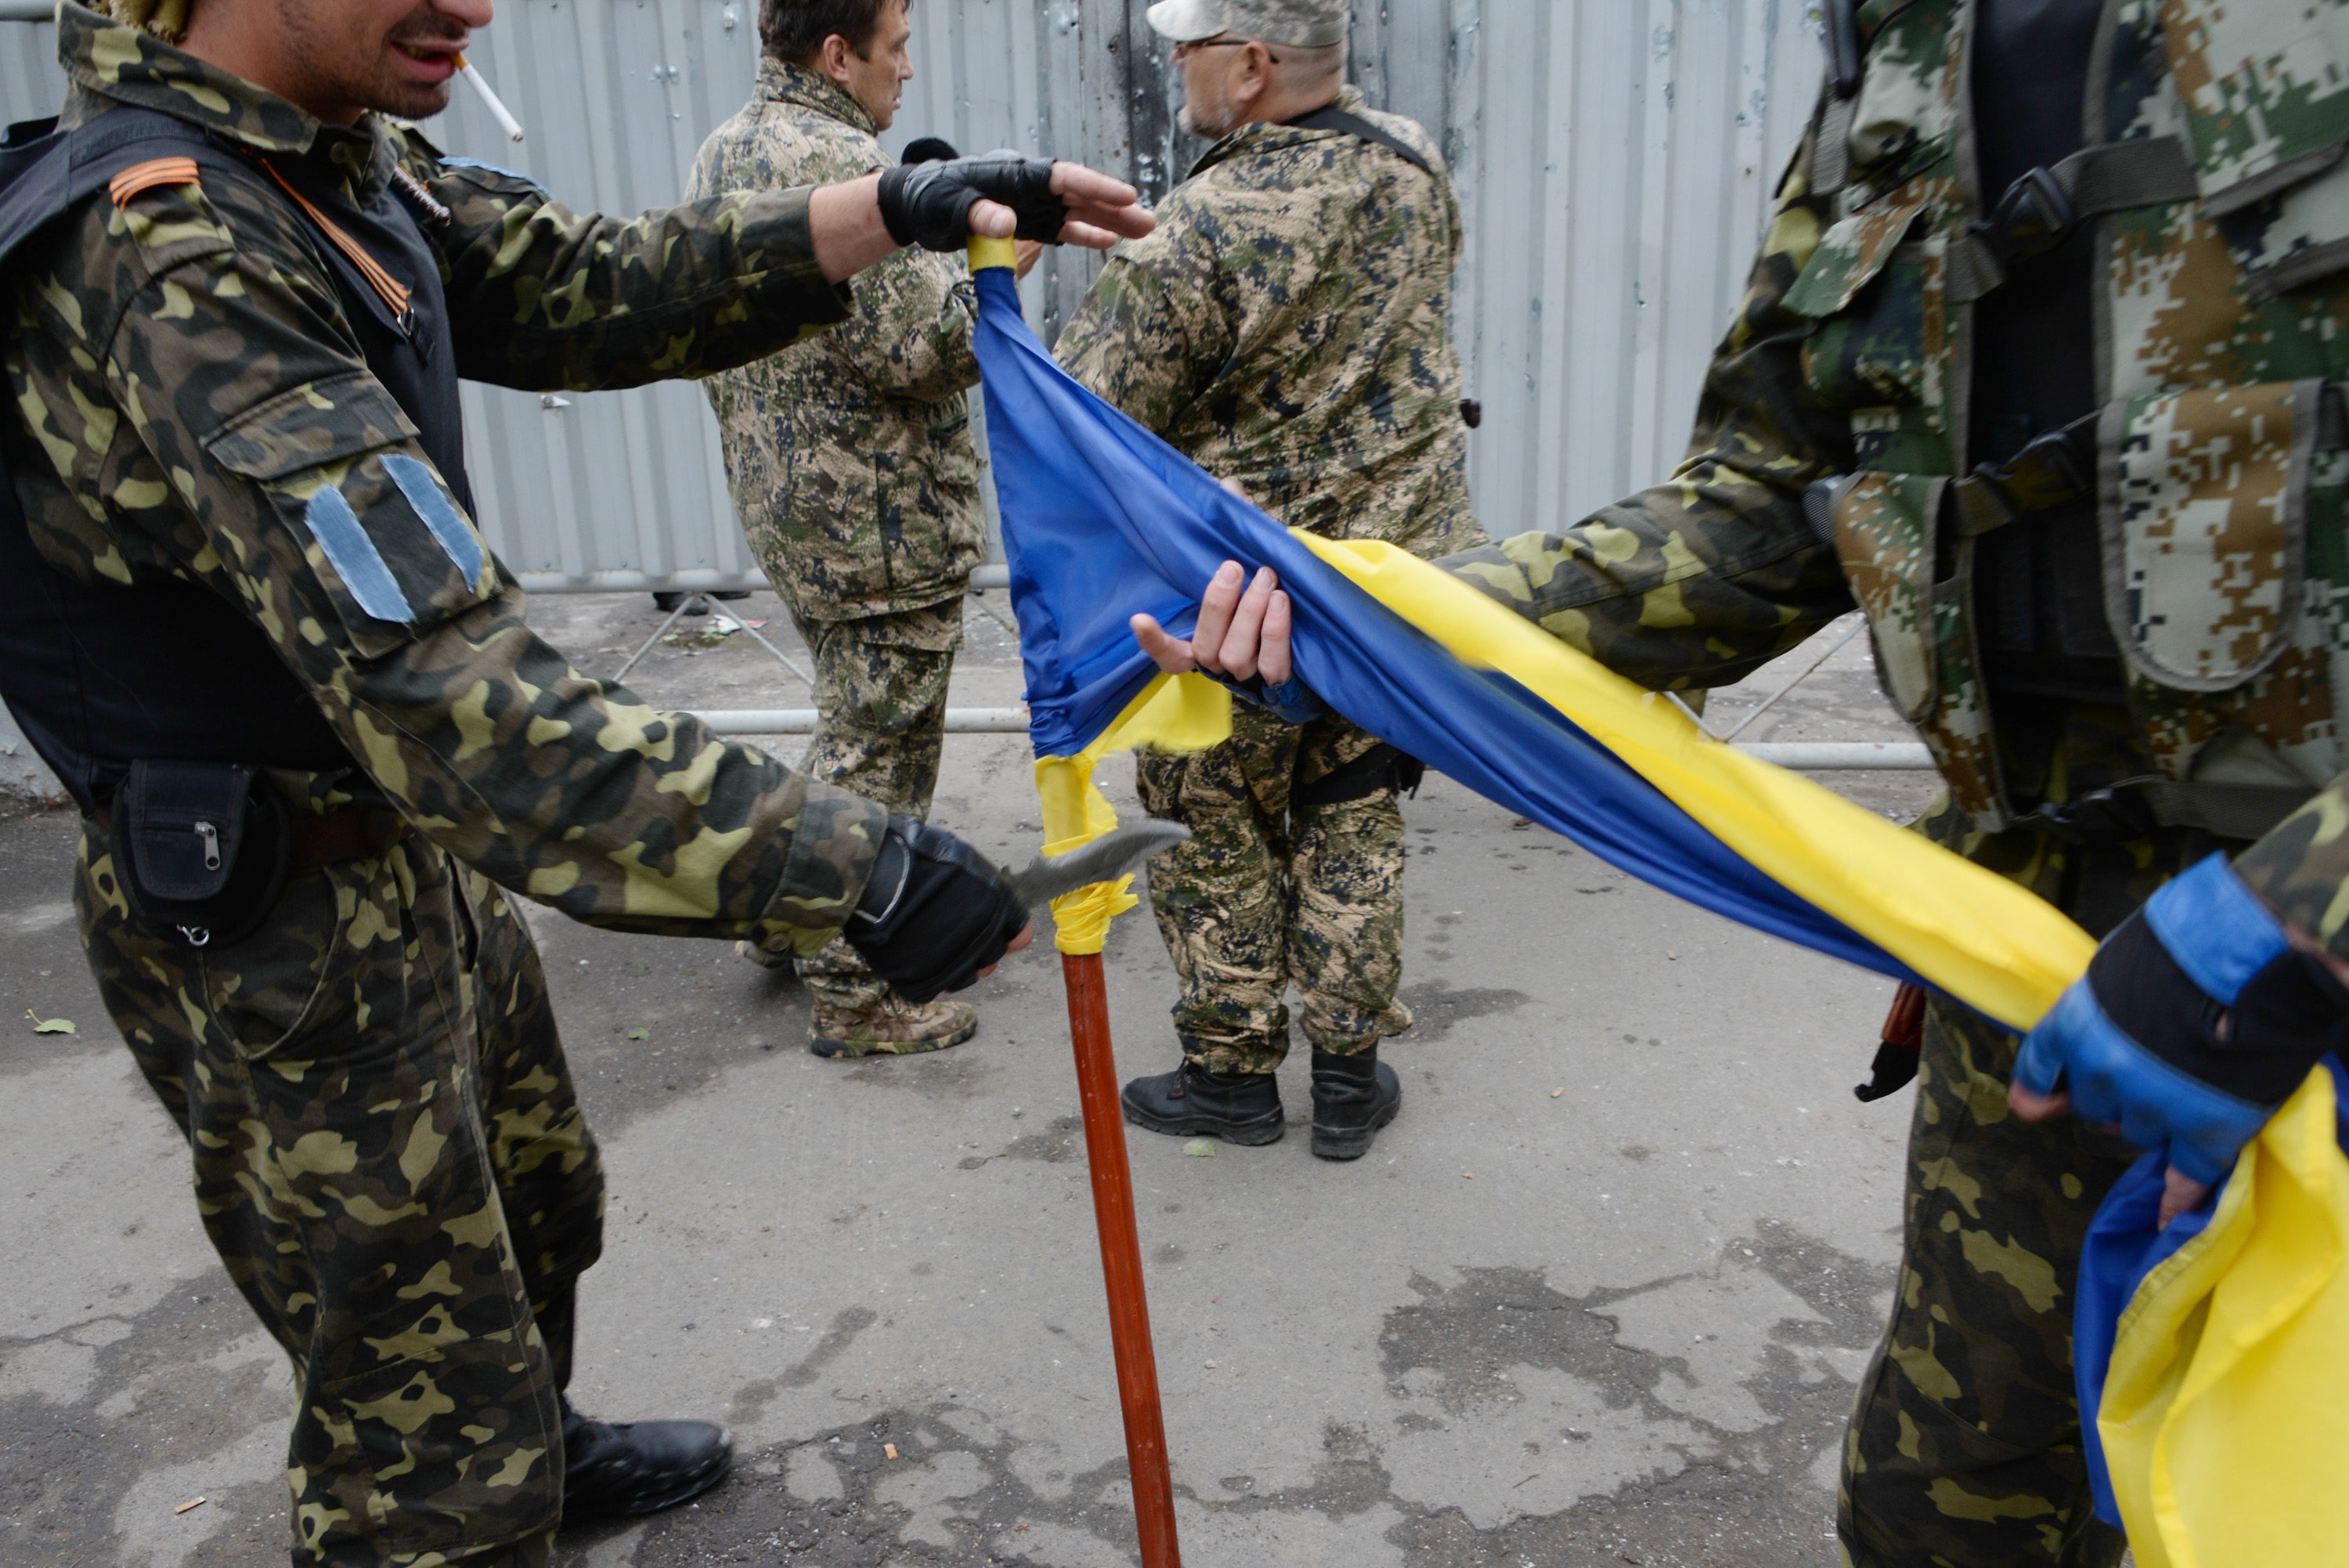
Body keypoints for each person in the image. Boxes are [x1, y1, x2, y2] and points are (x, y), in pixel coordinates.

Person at [1131, 0, 2349, 1561]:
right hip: (2027, 954)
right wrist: (1383, 623)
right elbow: (1769, 504)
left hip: (2291, 935)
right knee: (1943, 1518)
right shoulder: (1907, 63)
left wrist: (2297, 914)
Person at [0, 1, 1151, 1563]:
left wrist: (894, 209)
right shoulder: (179, 253)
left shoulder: (333, 173)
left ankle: (534, 1442)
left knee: (533, 1202)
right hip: (283, 908)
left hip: (401, 848)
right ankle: (473, 1491)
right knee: (417, 1422)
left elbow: (594, 283)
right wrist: (844, 865)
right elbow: (452, 696)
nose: (475, 6)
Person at [1054, 0, 1486, 1162]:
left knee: (1214, 821)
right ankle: (1348, 1077)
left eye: (1191, 50)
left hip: (1233, 610)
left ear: (1249, 66)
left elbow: (1091, 419)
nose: (1178, 69)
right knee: (1353, 810)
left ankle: (1231, 1077)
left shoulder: (1192, 226)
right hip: (1390, 596)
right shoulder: (1414, 164)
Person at [689, 0, 1041, 1059]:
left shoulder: (727, 147)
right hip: (880, 521)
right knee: (882, 751)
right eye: (895, 51)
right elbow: (922, 352)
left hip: (790, 505)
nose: (910, 74)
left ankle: (782, 911)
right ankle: (856, 991)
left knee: (848, 717)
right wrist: (1011, 262)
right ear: (837, 55)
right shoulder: (850, 166)